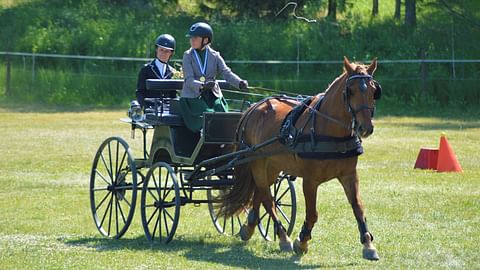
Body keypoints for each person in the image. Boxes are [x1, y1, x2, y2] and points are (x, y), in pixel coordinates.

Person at [180, 22, 248, 132]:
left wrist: (239, 83)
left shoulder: (215, 55)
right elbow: (188, 79)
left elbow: (226, 73)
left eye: (195, 38)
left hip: (212, 94)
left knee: (222, 113)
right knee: (209, 115)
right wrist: (202, 86)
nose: (192, 40)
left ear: (205, 40)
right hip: (193, 96)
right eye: (191, 38)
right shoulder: (187, 55)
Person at [136, 34, 176, 107]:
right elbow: (140, 92)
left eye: (167, 51)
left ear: (171, 53)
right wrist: (146, 108)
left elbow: (173, 95)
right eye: (161, 50)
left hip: (168, 110)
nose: (163, 53)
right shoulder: (146, 69)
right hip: (151, 109)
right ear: (156, 49)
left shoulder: (172, 72)